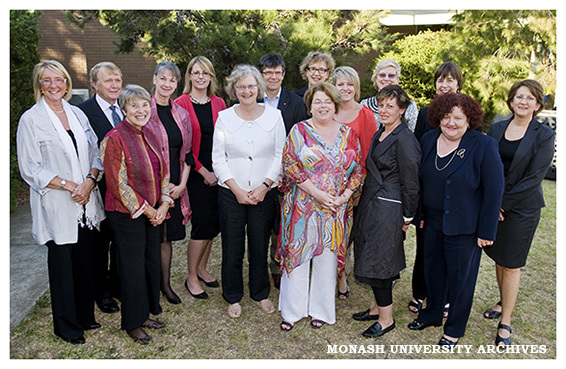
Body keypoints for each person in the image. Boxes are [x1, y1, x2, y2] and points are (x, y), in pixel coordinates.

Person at [17, 60, 105, 344]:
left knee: (85, 261)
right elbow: (30, 168)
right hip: (58, 202)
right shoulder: (31, 119)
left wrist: (90, 181)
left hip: (86, 200)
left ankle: (85, 316)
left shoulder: (78, 114)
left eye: (59, 80)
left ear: (67, 83)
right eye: (46, 80)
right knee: (63, 267)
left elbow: (95, 152)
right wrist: (69, 185)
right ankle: (67, 327)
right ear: (39, 85)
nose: (53, 85)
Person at [407, 92, 504, 348]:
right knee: (432, 272)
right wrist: (421, 216)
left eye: (458, 118)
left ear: (469, 119)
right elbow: (421, 182)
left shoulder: (483, 145)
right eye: (447, 116)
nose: (451, 123)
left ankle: (454, 329)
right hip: (432, 223)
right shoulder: (428, 140)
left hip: (466, 228)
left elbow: (494, 190)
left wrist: (487, 230)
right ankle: (431, 315)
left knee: (460, 280)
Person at [276, 82, 364, 331]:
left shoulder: (349, 134)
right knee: (298, 256)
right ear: (310, 106)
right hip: (303, 205)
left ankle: (321, 311)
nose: (323, 106)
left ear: (335, 105)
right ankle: (293, 311)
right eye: (317, 102)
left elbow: (357, 169)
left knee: (327, 259)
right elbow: (290, 164)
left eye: (327, 101)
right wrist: (316, 193)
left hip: (335, 208)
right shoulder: (299, 131)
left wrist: (346, 195)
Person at [483, 80, 555, 347]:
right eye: (519, 96)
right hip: (496, 206)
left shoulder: (544, 134)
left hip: (523, 209)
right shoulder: (497, 128)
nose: (523, 102)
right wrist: (492, 202)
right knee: (499, 259)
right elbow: (488, 165)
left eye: (530, 98)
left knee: (512, 264)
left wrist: (502, 204)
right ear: (511, 100)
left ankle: (506, 321)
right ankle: (503, 302)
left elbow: (535, 177)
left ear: (537, 104)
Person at [212, 65, 286, 318]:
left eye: (251, 86)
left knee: (259, 244)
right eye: (241, 86)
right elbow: (218, 158)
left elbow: (280, 154)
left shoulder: (274, 117)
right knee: (232, 248)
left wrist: (265, 186)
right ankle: (233, 295)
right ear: (234, 89)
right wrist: (236, 189)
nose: (246, 90)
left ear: (259, 88)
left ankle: (260, 292)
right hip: (231, 193)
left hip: (263, 193)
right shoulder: (224, 117)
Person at [101, 84, 171, 345]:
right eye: (134, 105)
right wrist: (150, 210)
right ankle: (132, 322)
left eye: (145, 105)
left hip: (153, 213)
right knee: (132, 269)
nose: (141, 110)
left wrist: (164, 204)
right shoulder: (115, 138)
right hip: (126, 214)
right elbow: (117, 184)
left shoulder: (150, 133)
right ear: (123, 109)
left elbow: (164, 171)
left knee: (150, 263)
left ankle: (145, 313)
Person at [351, 85, 421, 338]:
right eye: (381, 105)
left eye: (390, 106)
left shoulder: (405, 139)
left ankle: (386, 318)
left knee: (380, 261)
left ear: (402, 110)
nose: (383, 110)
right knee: (371, 254)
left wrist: (408, 216)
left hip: (389, 207)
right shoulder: (381, 132)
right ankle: (377, 307)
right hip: (373, 203)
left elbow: (411, 181)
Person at [408, 61, 464, 316]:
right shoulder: (424, 112)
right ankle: (420, 293)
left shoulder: (465, 112)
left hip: (455, 193)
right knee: (425, 248)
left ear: (458, 84)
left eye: (450, 80)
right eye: (440, 80)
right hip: (429, 191)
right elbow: (418, 155)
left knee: (451, 252)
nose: (444, 84)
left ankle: (447, 297)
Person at [176, 56, 226, 298]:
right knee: (202, 226)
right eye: (195, 72)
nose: (200, 77)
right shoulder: (180, 103)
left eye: (205, 73)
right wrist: (203, 171)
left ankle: (203, 268)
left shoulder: (219, 103)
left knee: (214, 225)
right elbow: (182, 146)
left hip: (219, 173)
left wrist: (220, 171)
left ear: (211, 77)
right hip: (196, 174)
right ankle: (191, 276)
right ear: (189, 76)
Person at [258, 53, 309, 290]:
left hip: (286, 176)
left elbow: (300, 140)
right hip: (257, 173)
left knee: (282, 224)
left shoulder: (295, 102)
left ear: (283, 74)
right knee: (261, 225)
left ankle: (278, 268)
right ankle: (258, 268)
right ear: (261, 74)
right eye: (268, 72)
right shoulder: (251, 97)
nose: (272, 77)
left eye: (277, 72)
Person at [78, 61, 123, 314]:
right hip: (99, 190)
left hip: (125, 193)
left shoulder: (128, 108)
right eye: (108, 80)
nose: (115, 85)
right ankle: (101, 293)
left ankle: (118, 285)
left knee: (121, 243)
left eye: (117, 80)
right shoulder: (82, 112)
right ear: (94, 84)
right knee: (99, 246)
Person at [147, 61, 195, 304]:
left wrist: (182, 185)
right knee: (149, 238)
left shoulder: (181, 114)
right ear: (154, 79)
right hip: (149, 186)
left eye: (172, 80)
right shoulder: (143, 110)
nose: (167, 84)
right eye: (163, 78)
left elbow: (187, 154)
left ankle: (165, 285)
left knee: (166, 238)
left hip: (175, 186)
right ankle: (148, 287)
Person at [332, 66, 378, 300]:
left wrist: (358, 189)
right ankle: (331, 275)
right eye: (340, 84)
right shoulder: (327, 110)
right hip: (326, 187)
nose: (345, 88)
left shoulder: (366, 115)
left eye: (350, 84)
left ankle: (343, 275)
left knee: (347, 235)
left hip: (354, 187)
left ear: (356, 87)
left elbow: (369, 154)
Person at [361, 59, 418, 132]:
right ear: (376, 78)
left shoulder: (409, 105)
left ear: (397, 79)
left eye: (391, 76)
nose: (386, 79)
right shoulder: (365, 105)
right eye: (382, 75)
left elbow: (412, 134)